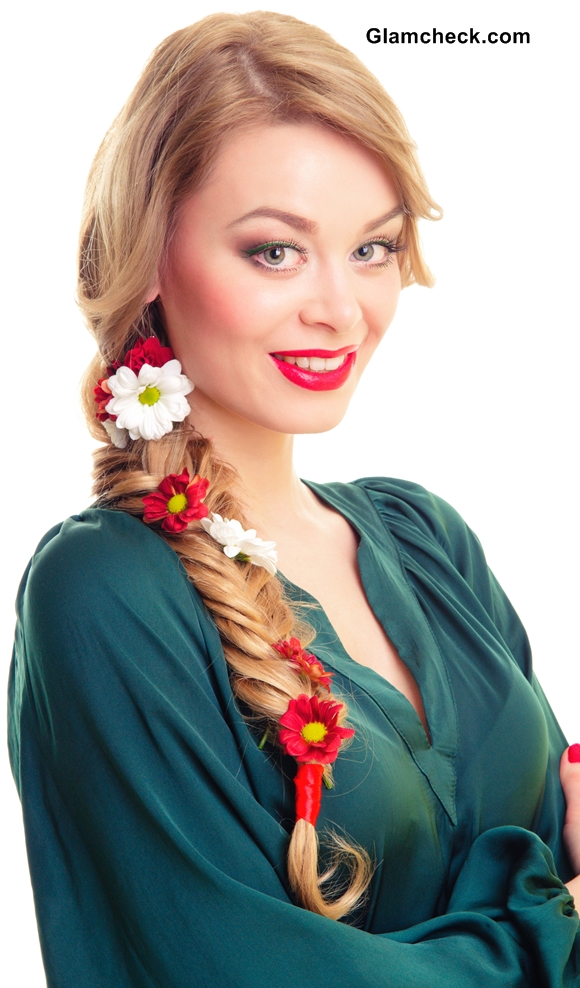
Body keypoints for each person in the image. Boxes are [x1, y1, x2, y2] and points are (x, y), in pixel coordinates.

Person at [7, 10, 580, 987]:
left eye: (372, 248)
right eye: (275, 250)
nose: (341, 309)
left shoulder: (424, 537)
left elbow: (547, 820)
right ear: (149, 255)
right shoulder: (103, 590)